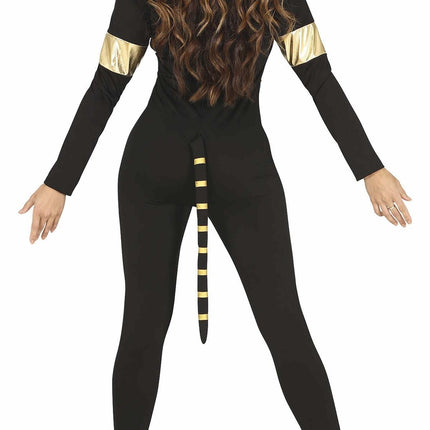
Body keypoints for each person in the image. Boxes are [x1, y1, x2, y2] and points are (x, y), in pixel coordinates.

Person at [18, 0, 412, 428]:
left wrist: (369, 168)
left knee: (280, 324)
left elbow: (318, 78)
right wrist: (60, 181)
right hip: (185, 173)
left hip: (202, 172)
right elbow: (107, 85)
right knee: (146, 326)